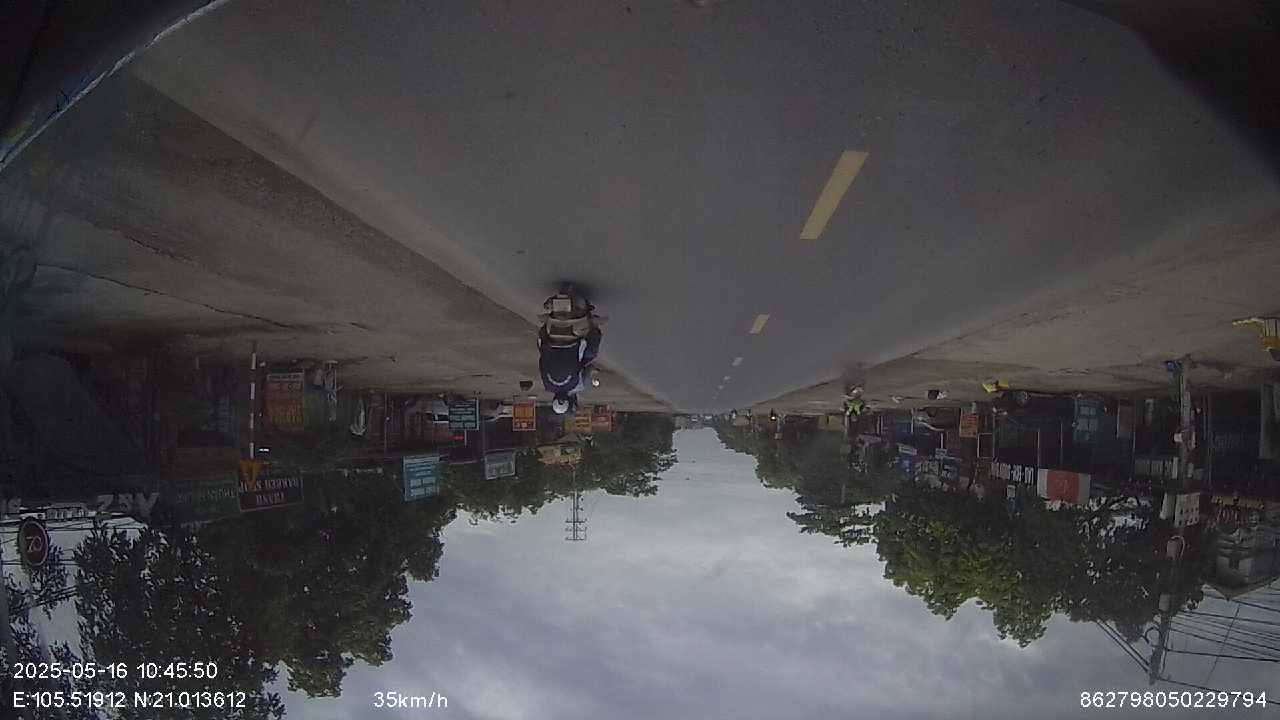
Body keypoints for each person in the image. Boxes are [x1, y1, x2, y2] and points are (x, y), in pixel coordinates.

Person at [540, 323, 601, 414]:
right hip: (549, 345)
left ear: (570, 400)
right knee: (541, 345)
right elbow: (541, 363)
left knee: (591, 354)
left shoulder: (577, 386)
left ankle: (594, 327)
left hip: (573, 347)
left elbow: (587, 369)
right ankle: (544, 325)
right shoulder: (547, 385)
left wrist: (592, 369)